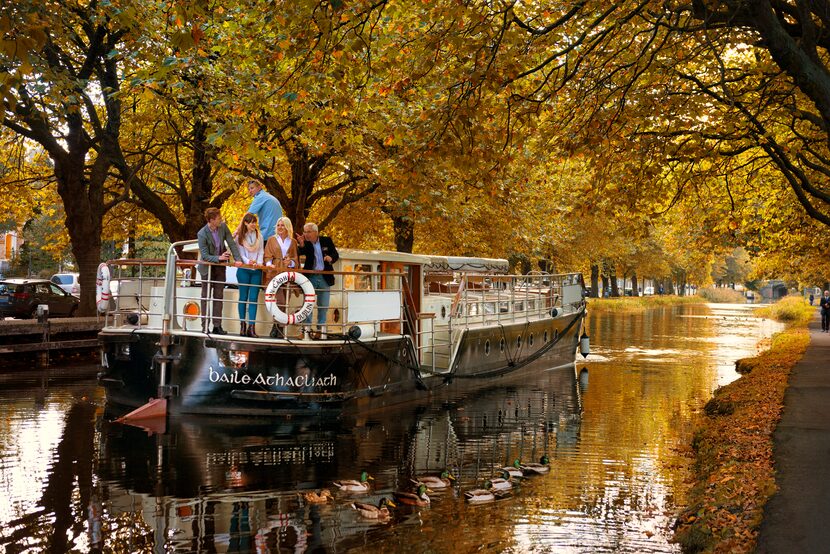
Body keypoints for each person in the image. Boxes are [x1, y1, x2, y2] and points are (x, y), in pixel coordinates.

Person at [197, 208, 243, 335]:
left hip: (220, 268)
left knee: (218, 296)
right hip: (207, 268)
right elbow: (205, 255)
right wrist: (219, 258)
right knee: (205, 297)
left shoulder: (223, 227)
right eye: (218, 218)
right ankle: (205, 326)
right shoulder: (202, 234)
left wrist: (238, 259)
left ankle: (217, 326)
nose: (221, 219)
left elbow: (231, 243)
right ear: (211, 220)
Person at [297, 222, 339, 339]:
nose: (306, 234)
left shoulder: (326, 241)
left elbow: (335, 254)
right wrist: (300, 244)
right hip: (310, 277)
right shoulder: (305, 243)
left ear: (316, 232)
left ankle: (320, 331)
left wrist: (331, 258)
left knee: (323, 306)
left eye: (308, 232)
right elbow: (301, 251)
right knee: (308, 304)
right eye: (304, 232)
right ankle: (306, 330)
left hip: (325, 277)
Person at [263, 216, 300, 338]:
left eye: (282, 225)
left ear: (287, 227)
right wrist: (270, 265)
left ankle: (276, 328)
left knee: (286, 303)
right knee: (280, 301)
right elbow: (267, 256)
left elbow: (296, 259)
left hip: (287, 275)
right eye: (278, 225)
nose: (280, 227)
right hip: (274, 274)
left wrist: (291, 262)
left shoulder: (293, 242)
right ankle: (278, 327)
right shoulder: (271, 240)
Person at [233, 213, 264, 337]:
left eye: (255, 222)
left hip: (256, 270)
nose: (254, 224)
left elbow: (261, 250)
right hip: (244, 270)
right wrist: (247, 262)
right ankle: (242, 325)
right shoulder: (239, 237)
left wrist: (259, 263)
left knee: (253, 299)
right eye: (251, 222)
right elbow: (239, 253)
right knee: (243, 297)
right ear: (245, 223)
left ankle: (252, 327)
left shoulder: (259, 236)